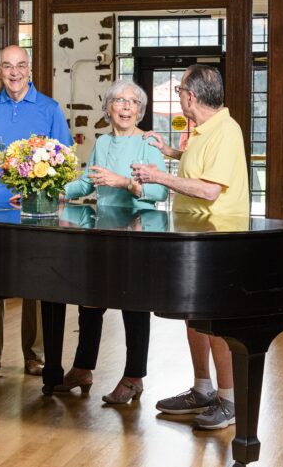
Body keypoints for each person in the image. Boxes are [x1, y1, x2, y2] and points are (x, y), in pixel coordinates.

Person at [132, 64, 249, 430]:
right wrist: (169, 152)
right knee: (193, 320)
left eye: (181, 89)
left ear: (191, 96)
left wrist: (157, 176)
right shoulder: (202, 130)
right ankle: (202, 389)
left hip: (218, 238)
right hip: (194, 236)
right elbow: (198, 166)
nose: (179, 95)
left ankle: (228, 400)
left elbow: (210, 189)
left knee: (214, 325)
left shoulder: (226, 131)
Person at [46, 80, 168, 404]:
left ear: (140, 110)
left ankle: (133, 377)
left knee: (134, 304)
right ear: (109, 108)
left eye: (132, 102)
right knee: (90, 299)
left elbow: (160, 192)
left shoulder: (149, 142)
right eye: (119, 101)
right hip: (102, 229)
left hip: (138, 231)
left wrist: (126, 182)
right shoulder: (101, 142)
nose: (126, 107)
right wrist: (57, 192)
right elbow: (88, 181)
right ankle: (83, 368)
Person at [0, 44, 73, 376]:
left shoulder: (49, 109)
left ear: (30, 69)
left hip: (37, 210)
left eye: (21, 65)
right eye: (8, 66)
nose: (14, 72)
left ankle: (35, 354)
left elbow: (66, 162)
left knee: (36, 282)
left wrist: (52, 197)